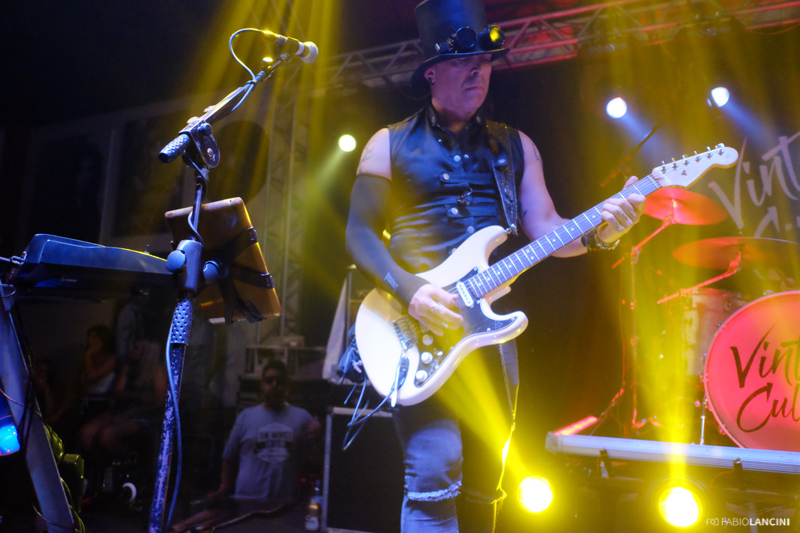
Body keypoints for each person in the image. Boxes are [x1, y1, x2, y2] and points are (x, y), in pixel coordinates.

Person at [344, 0, 646, 531]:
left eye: (484, 61)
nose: (478, 72)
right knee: (434, 468)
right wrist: (411, 291)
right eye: (463, 61)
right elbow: (359, 234)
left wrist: (604, 232)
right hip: (418, 325)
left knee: (487, 477)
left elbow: (548, 230)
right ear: (432, 71)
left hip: (488, 330)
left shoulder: (516, 145)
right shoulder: (386, 143)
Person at [168, 359, 320, 532]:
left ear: (287, 386)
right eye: (269, 380)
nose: (274, 385)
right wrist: (224, 487)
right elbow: (229, 457)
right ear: (262, 385)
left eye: (280, 381)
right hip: (246, 498)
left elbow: (317, 460)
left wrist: (319, 435)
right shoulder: (246, 417)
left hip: (283, 503)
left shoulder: (302, 418)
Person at [78, 336, 167, 470]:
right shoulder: (128, 366)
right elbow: (117, 393)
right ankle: (104, 470)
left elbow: (158, 401)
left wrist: (132, 408)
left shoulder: (156, 370)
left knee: (107, 435)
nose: (130, 349)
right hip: (122, 409)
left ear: (147, 352)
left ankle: (129, 466)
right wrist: (139, 395)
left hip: (143, 414)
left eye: (135, 348)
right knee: (86, 433)